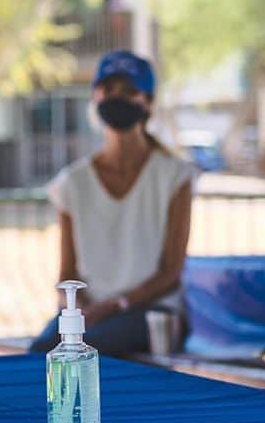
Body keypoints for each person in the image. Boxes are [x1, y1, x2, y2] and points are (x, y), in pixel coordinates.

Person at [30, 50, 194, 357]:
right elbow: (67, 274)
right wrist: (80, 311)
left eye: (129, 91)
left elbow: (171, 272)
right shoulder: (72, 183)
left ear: (148, 102)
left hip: (152, 312)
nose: (117, 98)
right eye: (109, 90)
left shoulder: (175, 176)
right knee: (38, 355)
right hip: (90, 316)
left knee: (90, 353)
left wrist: (116, 305)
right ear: (95, 97)